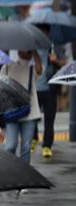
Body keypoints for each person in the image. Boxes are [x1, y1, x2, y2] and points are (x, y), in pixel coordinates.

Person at [0, 50, 43, 163]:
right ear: (19, 51)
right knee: (10, 146)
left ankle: (25, 175)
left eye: (29, 50)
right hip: (11, 111)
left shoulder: (31, 67)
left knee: (26, 147)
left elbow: (39, 70)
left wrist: (35, 53)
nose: (28, 52)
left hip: (30, 112)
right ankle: (10, 171)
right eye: (26, 49)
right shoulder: (7, 66)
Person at [34, 25, 67, 158]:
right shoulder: (32, 48)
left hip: (50, 89)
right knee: (33, 119)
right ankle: (34, 138)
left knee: (49, 119)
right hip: (35, 89)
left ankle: (47, 146)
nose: (43, 36)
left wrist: (56, 60)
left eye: (45, 33)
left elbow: (65, 63)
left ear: (48, 33)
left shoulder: (54, 47)